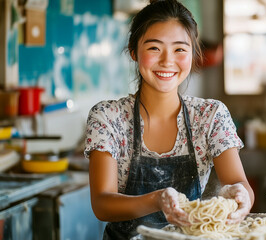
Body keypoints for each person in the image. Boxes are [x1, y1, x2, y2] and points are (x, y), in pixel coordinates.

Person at [84, 0, 255, 239]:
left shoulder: (210, 116)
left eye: (180, 49)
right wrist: (157, 199)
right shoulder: (108, 118)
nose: (167, 61)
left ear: (193, 54)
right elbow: (102, 203)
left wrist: (241, 194)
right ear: (134, 51)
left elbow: (238, 183)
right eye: (154, 48)